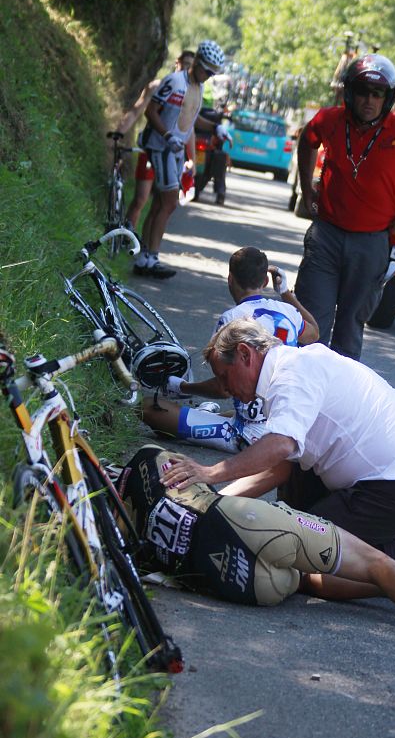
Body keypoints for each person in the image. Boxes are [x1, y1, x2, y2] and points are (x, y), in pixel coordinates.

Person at [116, 443, 395, 651]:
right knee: (370, 563)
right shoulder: (151, 460)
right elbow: (204, 487)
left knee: (300, 579)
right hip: (254, 527)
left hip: (243, 585)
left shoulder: (121, 532)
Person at [158, 318, 395, 581]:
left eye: (224, 376)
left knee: (299, 558)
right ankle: (353, 543)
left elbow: (279, 446)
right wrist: (212, 504)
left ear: (245, 354)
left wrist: (209, 473)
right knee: (287, 521)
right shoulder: (293, 365)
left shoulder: (291, 376)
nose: (224, 389)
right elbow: (279, 468)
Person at [294, 53, 395, 361]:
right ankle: (301, 395)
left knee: (349, 330)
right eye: (363, 91)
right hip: (326, 235)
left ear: (387, 98)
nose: (369, 100)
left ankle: (339, 404)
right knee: (310, 322)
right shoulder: (330, 119)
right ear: (350, 92)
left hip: (371, 242)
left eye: (377, 94)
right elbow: (307, 140)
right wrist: (305, 188)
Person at [142, 246, 319, 452]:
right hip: (289, 420)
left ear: (230, 279)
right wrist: (285, 293)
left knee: (148, 408)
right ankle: (208, 415)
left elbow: (224, 388)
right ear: (265, 282)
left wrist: (182, 387)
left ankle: (208, 417)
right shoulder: (288, 312)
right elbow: (314, 333)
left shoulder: (231, 320)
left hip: (248, 433)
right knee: (233, 411)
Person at [133, 40, 229, 279]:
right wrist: (166, 135)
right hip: (162, 148)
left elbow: (191, 120)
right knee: (169, 203)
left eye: (212, 73)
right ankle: (151, 256)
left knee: (160, 204)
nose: (208, 76)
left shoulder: (198, 87)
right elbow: (151, 111)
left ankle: (145, 256)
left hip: (175, 150)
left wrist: (216, 127)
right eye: (206, 70)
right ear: (196, 62)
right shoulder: (175, 82)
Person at [123, 50, 196, 232]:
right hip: (152, 149)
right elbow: (137, 110)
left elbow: (190, 129)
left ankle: (146, 247)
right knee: (141, 198)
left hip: (173, 155)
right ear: (176, 62)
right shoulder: (158, 86)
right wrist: (119, 133)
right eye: (185, 63)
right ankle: (127, 237)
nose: (187, 68)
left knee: (162, 202)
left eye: (191, 65)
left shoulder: (192, 92)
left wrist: (192, 158)